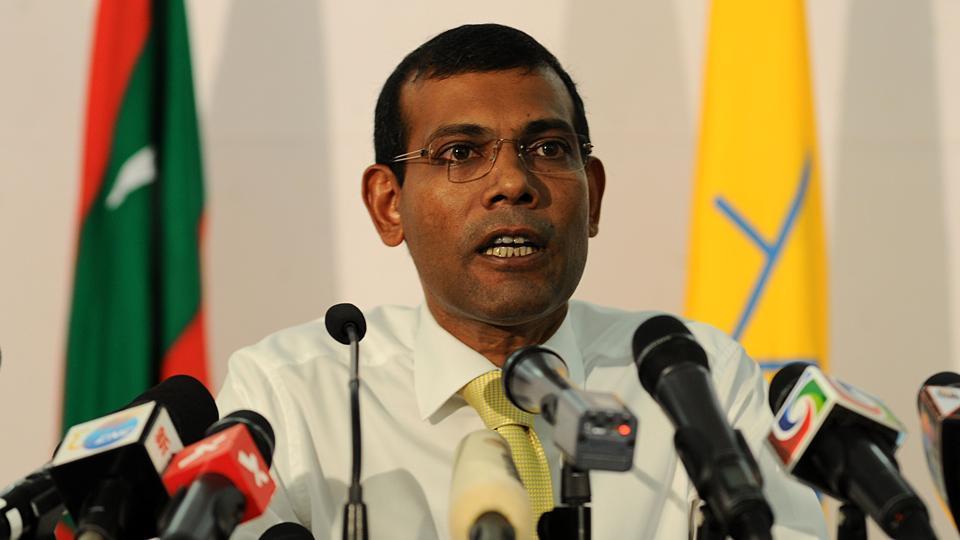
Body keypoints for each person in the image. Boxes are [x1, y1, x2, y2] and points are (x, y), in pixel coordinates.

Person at [217, 23, 827, 539]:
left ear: (593, 197)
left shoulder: (695, 380)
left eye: (548, 148)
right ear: (388, 204)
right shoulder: (292, 395)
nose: (513, 183)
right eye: (460, 153)